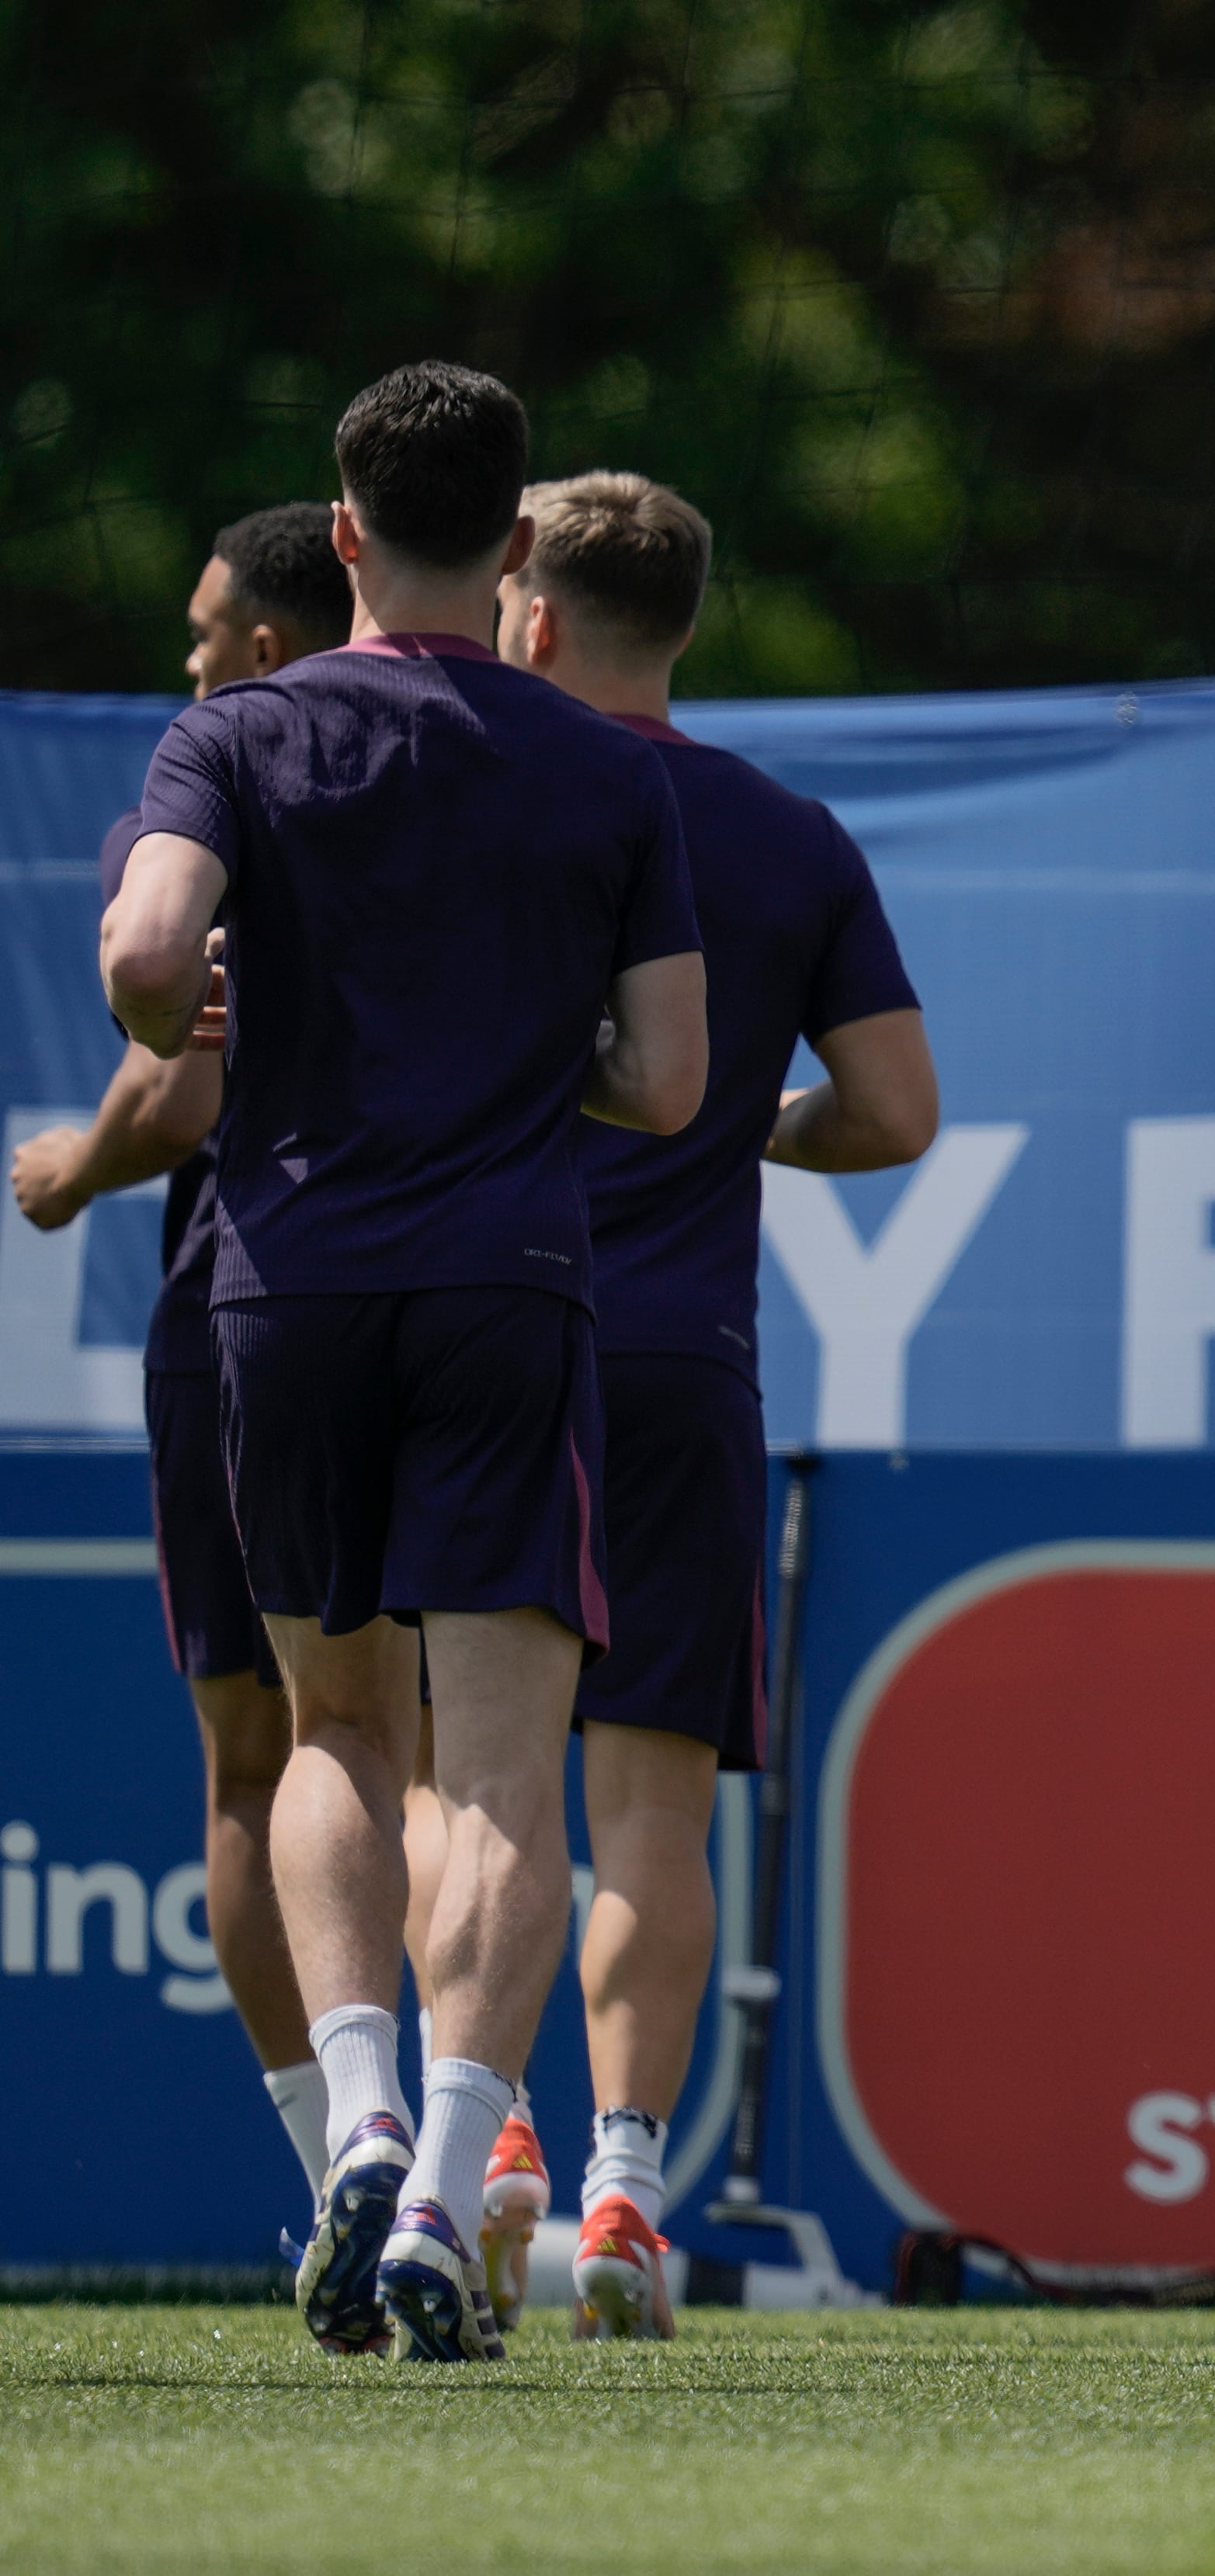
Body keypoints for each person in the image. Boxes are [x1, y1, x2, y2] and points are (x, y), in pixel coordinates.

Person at [99, 362, 709, 2363]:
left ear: (340, 534)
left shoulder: (244, 730)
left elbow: (144, 956)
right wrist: (532, 1059)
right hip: (508, 1281)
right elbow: (674, 1079)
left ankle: (353, 2121)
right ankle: (450, 2185)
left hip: (287, 1286)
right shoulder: (613, 772)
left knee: (334, 1732)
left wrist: (206, 998)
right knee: (512, 1772)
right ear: (518, 546)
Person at [495, 470, 934, 2339]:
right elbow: (898, 1112)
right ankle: (620, 2192)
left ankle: (485, 2138)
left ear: (528, 609)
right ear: (687, 618)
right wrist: (743, 1124)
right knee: (648, 1817)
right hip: (679, 1355)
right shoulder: (785, 832)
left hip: (475, 1337)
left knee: (473, 1778)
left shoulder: (474, 797)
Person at [11, 503, 356, 2232]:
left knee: (266, 1759)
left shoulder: (217, 781)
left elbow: (189, 1074)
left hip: (267, 1292)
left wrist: (71, 1167)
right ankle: (479, 2138)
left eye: (209, 630)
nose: (192, 661)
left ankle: (345, 2159)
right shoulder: (502, 763)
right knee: (461, 1761)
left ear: (269, 647)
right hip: (490, 1295)